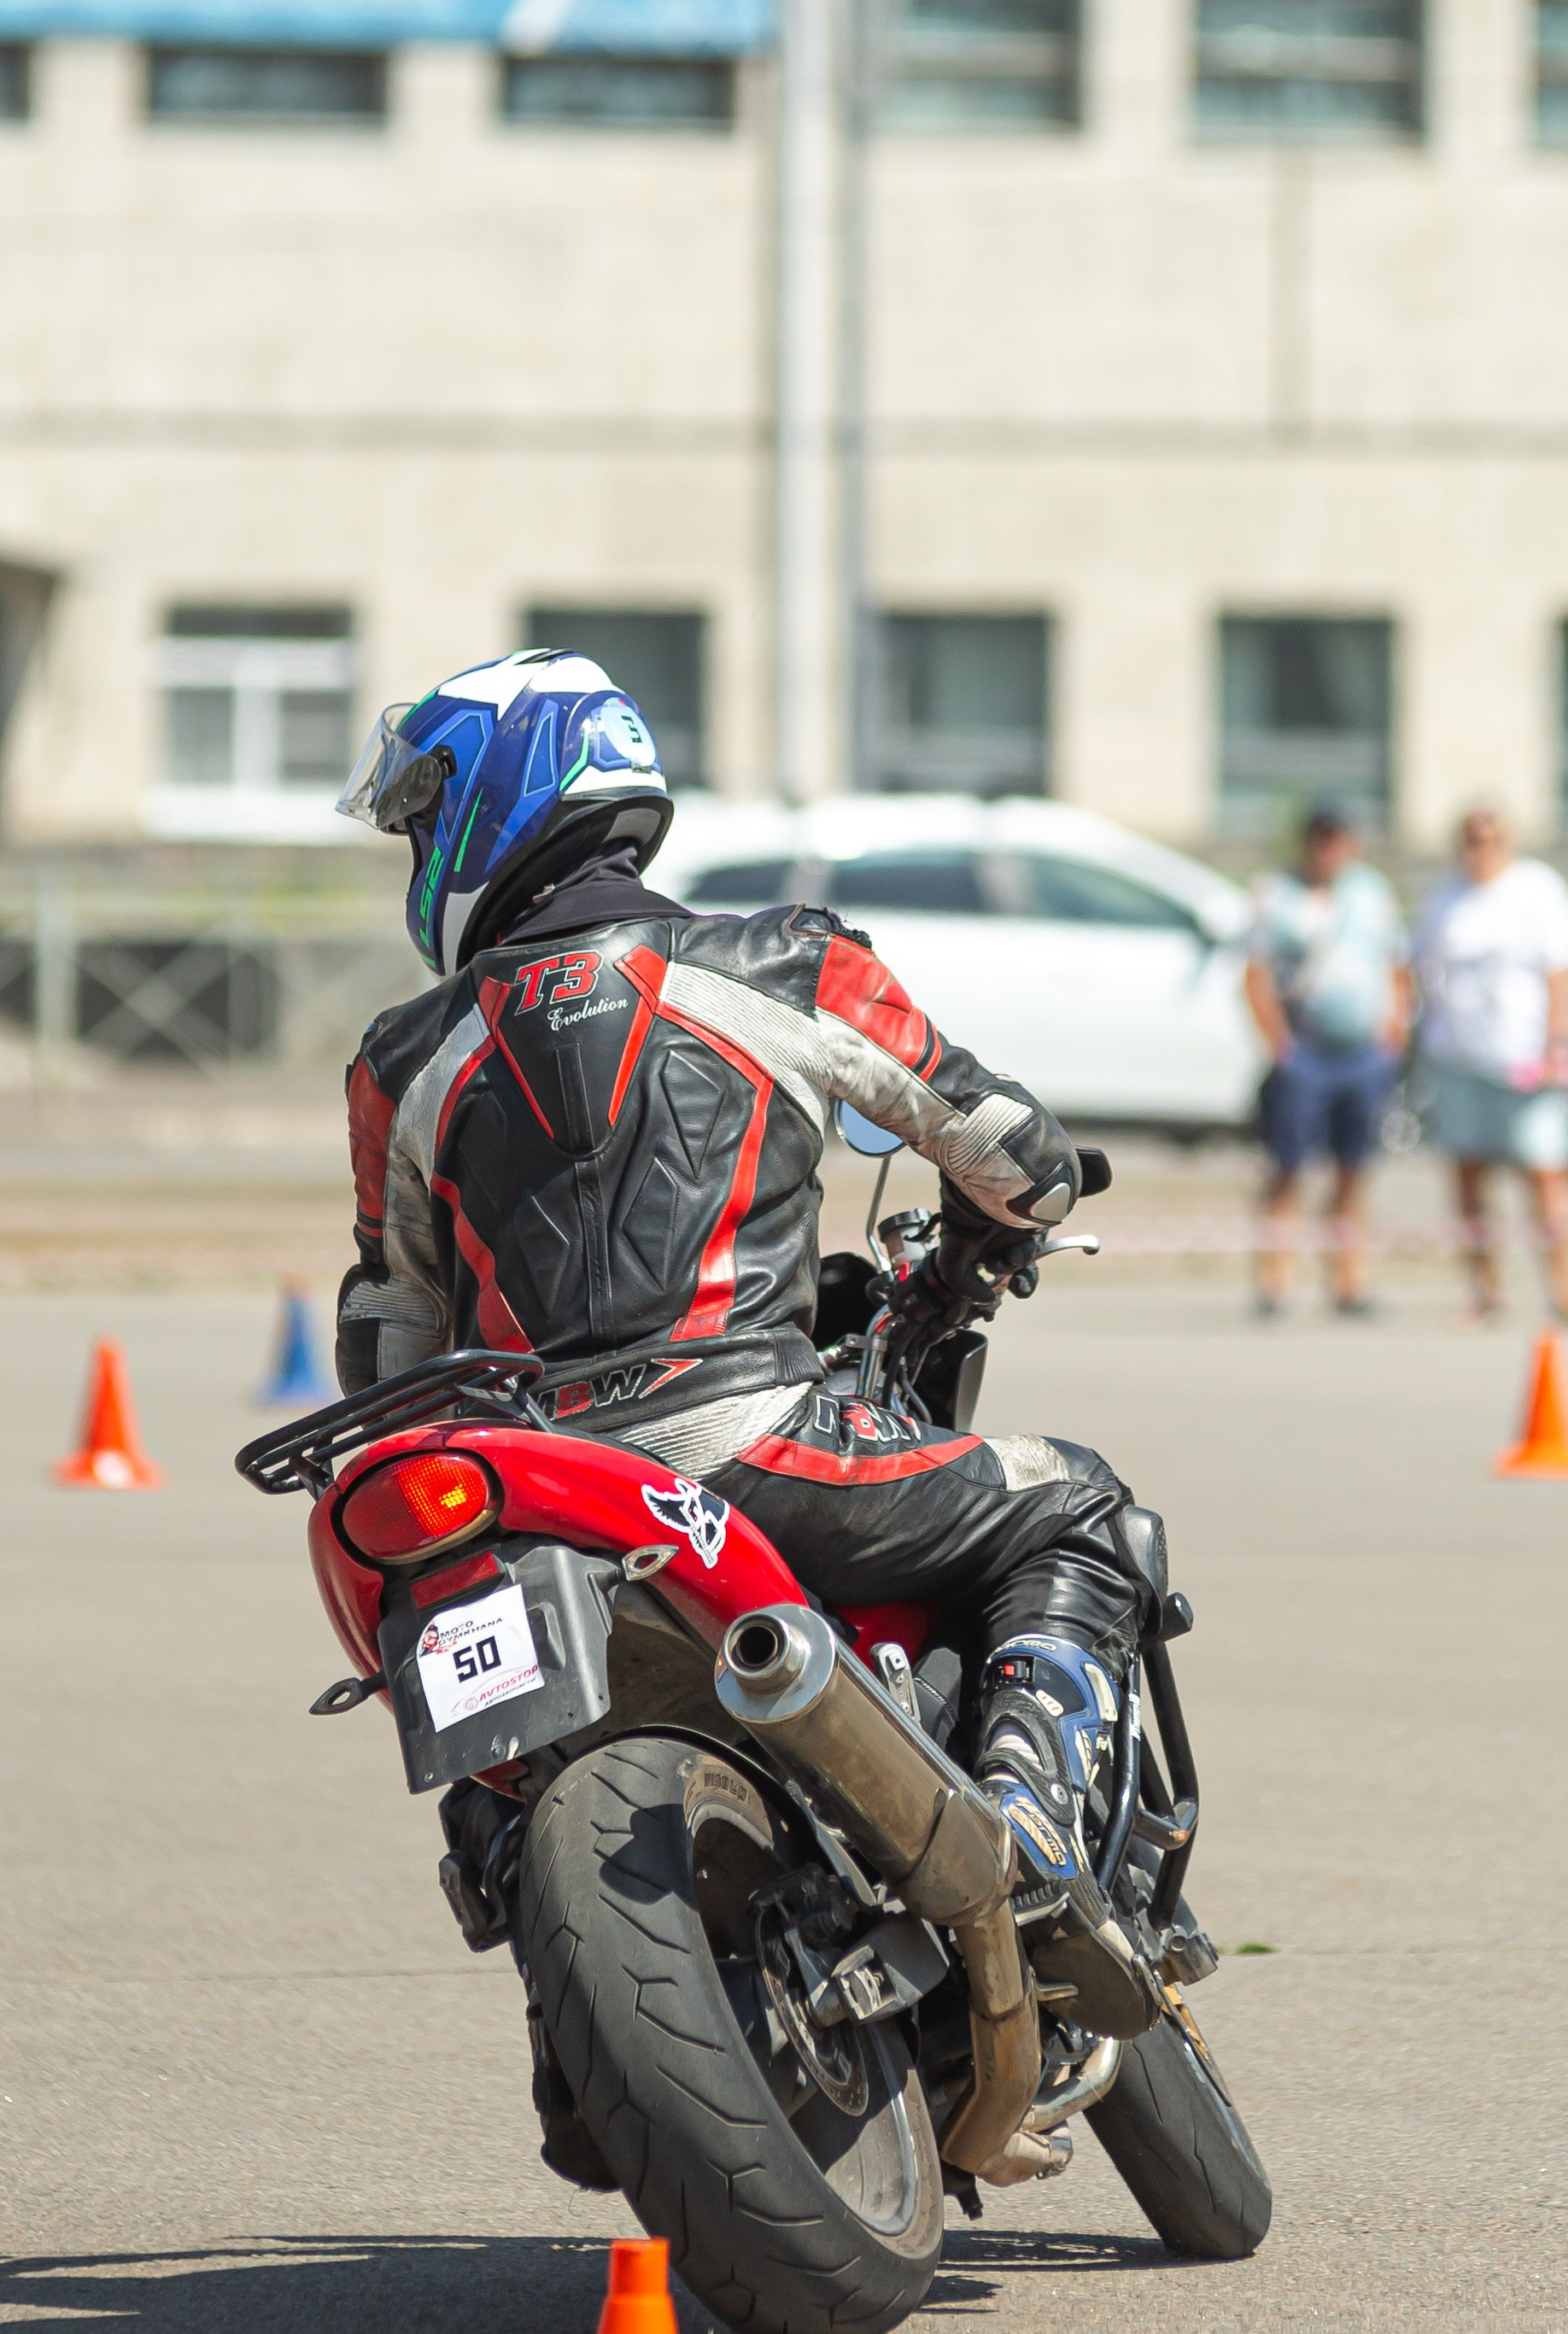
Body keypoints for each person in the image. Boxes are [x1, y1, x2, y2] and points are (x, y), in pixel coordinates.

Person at [333, 648, 1161, 2032]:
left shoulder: (398, 1061)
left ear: (498, 800)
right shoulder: (793, 962)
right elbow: (1017, 1160)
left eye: (425, 813)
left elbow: (389, 1338)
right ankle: (1028, 1822)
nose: (421, 844)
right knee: (1077, 1504)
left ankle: (515, 1887)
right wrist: (1018, 1205)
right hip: (754, 1446)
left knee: (479, 1711)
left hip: (532, 1498)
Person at [1413, 803, 1568, 1325]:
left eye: (1490, 837)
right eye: (1471, 837)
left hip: (1525, 1058)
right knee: (1469, 1176)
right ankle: (1484, 1289)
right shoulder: (1444, 897)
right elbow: (1419, 970)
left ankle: (1567, 1289)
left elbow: (1562, 967)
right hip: (1457, 1056)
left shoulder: (1537, 889)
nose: (1480, 847)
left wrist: (1558, 1040)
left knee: (1546, 1174)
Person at [1243, 804, 1413, 1319]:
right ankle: (1275, 1282)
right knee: (1288, 1168)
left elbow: (1397, 965)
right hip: (1306, 1052)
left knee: (1353, 1170)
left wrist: (1395, 1033)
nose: (1328, 849)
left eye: (1336, 839)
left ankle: (1348, 1281)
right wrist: (1279, 1043)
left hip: (1362, 1054)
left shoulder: (1371, 892)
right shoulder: (1277, 895)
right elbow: (1256, 973)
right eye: (1319, 839)